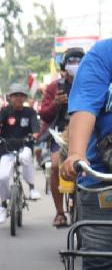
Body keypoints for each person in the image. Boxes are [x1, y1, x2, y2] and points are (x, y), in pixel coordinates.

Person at [61, 38, 112, 270]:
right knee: (100, 261)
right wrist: (76, 155)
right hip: (104, 177)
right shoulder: (103, 55)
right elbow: (85, 110)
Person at [40, 47, 85, 227]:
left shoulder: (91, 83)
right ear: (64, 67)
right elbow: (44, 114)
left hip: (86, 133)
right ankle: (60, 212)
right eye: (71, 62)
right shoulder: (54, 87)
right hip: (59, 134)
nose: (75, 65)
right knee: (56, 165)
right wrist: (55, 103)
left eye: (79, 62)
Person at [0, 83, 41, 223]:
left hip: (24, 145)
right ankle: (3, 205)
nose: (18, 98)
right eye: (15, 95)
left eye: (21, 95)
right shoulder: (5, 112)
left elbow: (35, 127)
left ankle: (31, 188)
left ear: (25, 97)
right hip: (7, 147)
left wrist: (35, 134)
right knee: (3, 178)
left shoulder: (30, 112)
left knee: (26, 157)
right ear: (10, 97)